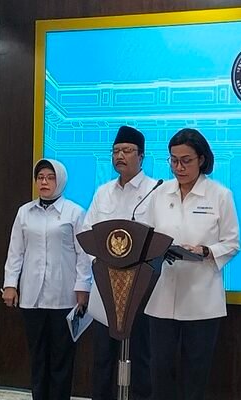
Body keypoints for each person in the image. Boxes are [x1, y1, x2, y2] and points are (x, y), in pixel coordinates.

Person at [144, 128, 240, 400]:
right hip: (162, 296)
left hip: (202, 300)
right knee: (160, 371)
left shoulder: (220, 195)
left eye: (186, 160)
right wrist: (156, 249)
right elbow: (147, 236)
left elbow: (232, 243)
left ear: (202, 159)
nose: (179, 167)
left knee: (195, 374)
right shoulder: (159, 193)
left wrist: (205, 250)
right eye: (174, 160)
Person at [2, 158, 92, 400]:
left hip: (64, 296)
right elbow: (16, 251)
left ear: (60, 181)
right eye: (40, 177)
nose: (44, 182)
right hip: (32, 297)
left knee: (62, 358)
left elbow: (83, 255)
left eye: (50, 178)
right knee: (37, 356)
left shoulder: (74, 212)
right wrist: (10, 284)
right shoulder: (24, 212)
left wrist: (83, 287)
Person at [84, 126, 157, 400]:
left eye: (127, 150)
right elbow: (87, 232)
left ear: (141, 156)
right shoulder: (103, 192)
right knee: (102, 359)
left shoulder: (156, 191)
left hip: (141, 290)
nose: (120, 156)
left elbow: (160, 236)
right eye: (116, 151)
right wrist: (102, 263)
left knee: (141, 358)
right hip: (106, 287)